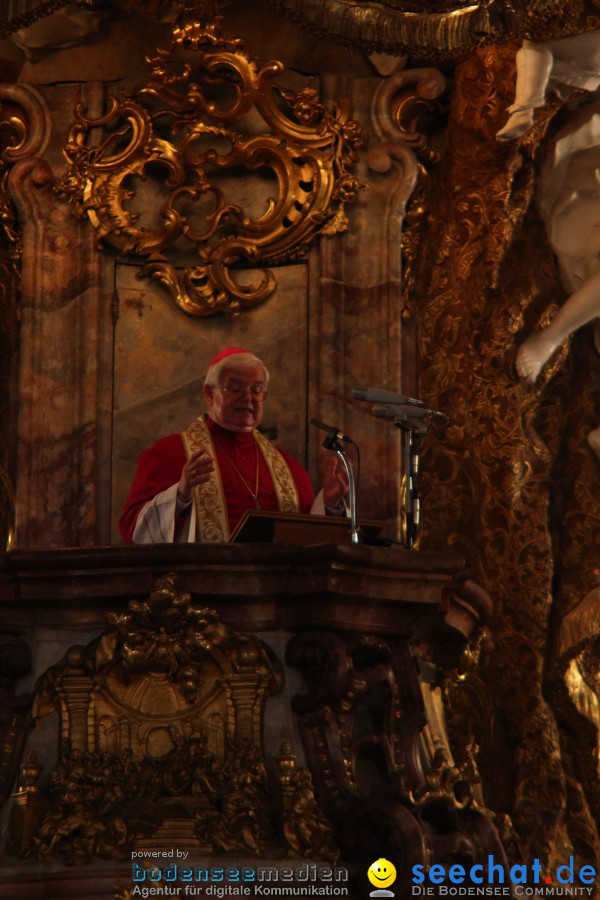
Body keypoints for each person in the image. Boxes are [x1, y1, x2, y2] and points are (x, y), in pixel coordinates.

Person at [119, 347, 349, 543]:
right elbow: (133, 529)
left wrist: (330, 504)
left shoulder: (290, 469)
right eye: (235, 388)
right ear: (210, 394)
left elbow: (308, 539)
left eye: (256, 390)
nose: (248, 398)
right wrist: (180, 495)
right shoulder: (170, 454)